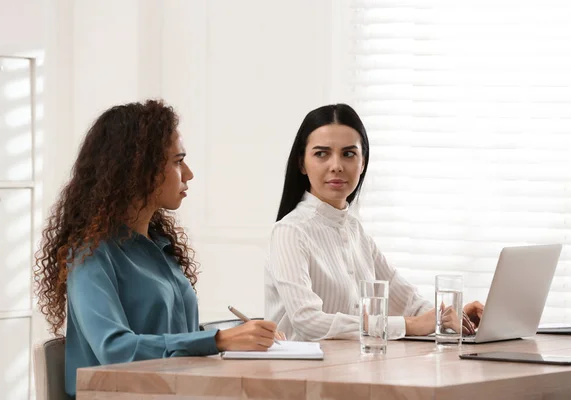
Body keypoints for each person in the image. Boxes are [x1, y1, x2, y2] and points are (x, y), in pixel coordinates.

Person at [34, 100, 282, 398]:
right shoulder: (91, 254)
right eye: (177, 161)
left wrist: (239, 335)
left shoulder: (161, 247)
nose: (188, 173)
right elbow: (114, 349)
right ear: (138, 170)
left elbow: (177, 340)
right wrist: (218, 340)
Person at [264, 103, 483, 341]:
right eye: (321, 154)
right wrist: (410, 325)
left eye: (348, 154)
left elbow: (407, 301)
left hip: (353, 368)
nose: (336, 166)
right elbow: (308, 321)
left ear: (363, 163)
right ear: (301, 164)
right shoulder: (290, 231)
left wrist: (449, 316)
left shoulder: (355, 231)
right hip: (300, 373)